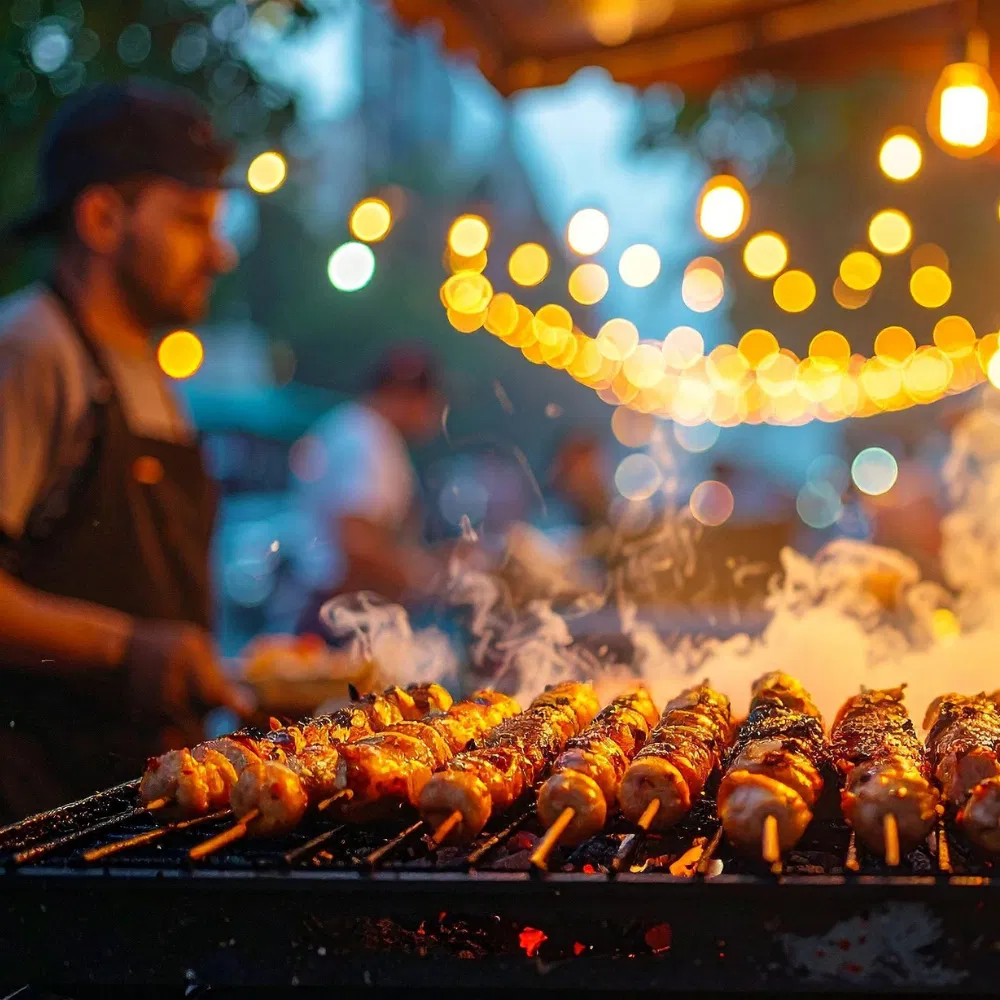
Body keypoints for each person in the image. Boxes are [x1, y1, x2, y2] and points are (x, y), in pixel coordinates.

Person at [0, 80, 249, 822]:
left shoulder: (150, 370)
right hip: (38, 818)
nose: (220, 253)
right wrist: (127, 648)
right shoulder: (31, 350)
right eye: (192, 221)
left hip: (134, 809)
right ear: (103, 217)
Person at [292, 345, 447, 634]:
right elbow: (358, 543)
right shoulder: (364, 440)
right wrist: (428, 576)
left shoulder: (356, 429)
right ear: (405, 394)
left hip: (342, 613)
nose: (435, 417)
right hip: (342, 619)